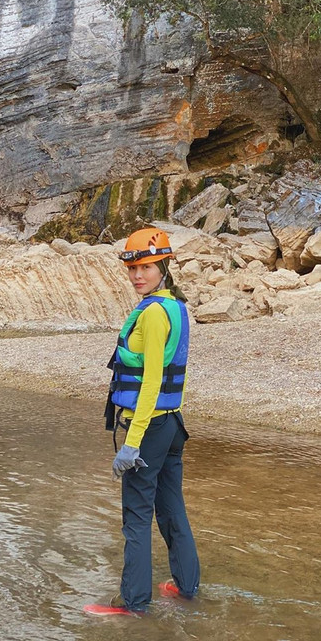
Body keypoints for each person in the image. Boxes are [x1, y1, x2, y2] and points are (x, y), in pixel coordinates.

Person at [102, 227, 200, 614]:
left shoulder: (155, 314)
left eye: (146, 267)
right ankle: (187, 587)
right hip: (172, 425)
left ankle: (133, 602)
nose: (137, 275)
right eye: (133, 268)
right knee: (171, 507)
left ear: (164, 266)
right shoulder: (175, 305)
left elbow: (153, 381)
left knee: (137, 515)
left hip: (151, 427)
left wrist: (132, 443)